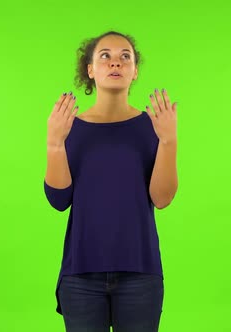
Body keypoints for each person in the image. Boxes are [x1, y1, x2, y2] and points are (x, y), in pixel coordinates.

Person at [44, 30, 178, 332]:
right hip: (80, 277)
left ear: (134, 72)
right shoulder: (70, 128)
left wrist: (169, 141)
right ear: (90, 70)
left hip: (140, 276)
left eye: (124, 57)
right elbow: (58, 200)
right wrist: (54, 143)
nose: (115, 63)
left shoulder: (152, 126)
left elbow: (162, 198)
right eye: (105, 56)